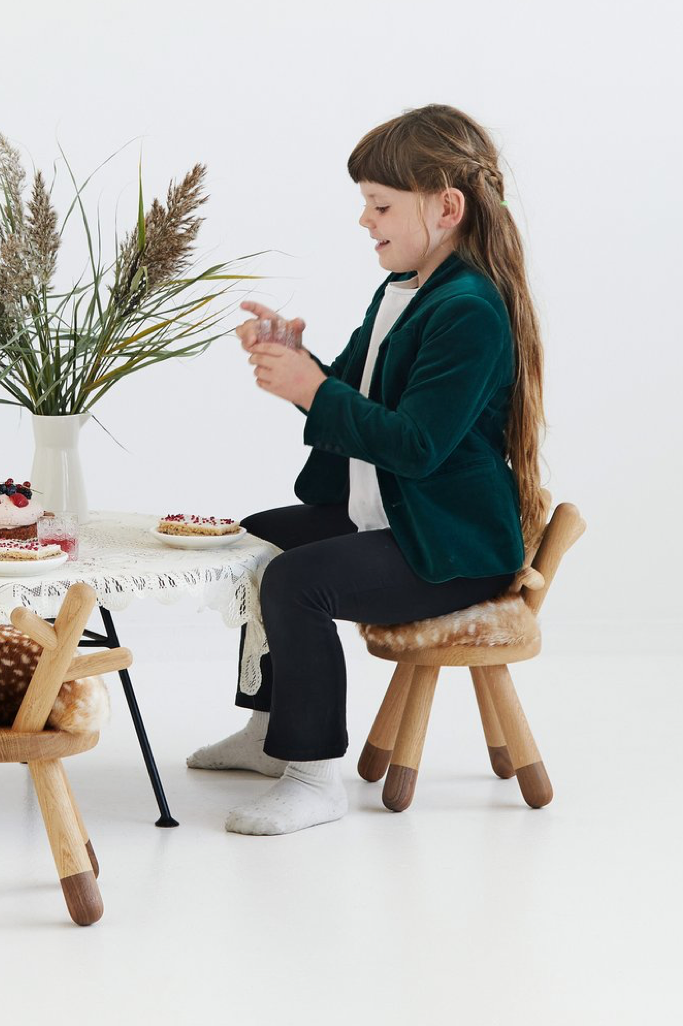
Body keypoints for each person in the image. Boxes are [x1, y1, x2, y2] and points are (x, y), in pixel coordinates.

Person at [187, 104, 548, 835]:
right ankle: (269, 731)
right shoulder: (402, 290)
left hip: (451, 546)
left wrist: (310, 391)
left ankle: (312, 775)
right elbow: (352, 395)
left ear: (446, 208)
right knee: (259, 542)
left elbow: (415, 445)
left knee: (296, 580)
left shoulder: (471, 310)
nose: (365, 220)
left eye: (380, 206)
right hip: (398, 515)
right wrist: (301, 363)